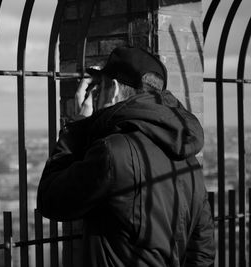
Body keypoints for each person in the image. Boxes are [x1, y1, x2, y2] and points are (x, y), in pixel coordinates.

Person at [37, 46, 215, 267]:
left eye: (99, 87)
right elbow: (202, 249)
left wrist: (77, 127)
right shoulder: (189, 159)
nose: (96, 95)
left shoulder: (114, 152)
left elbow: (51, 200)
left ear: (112, 89)